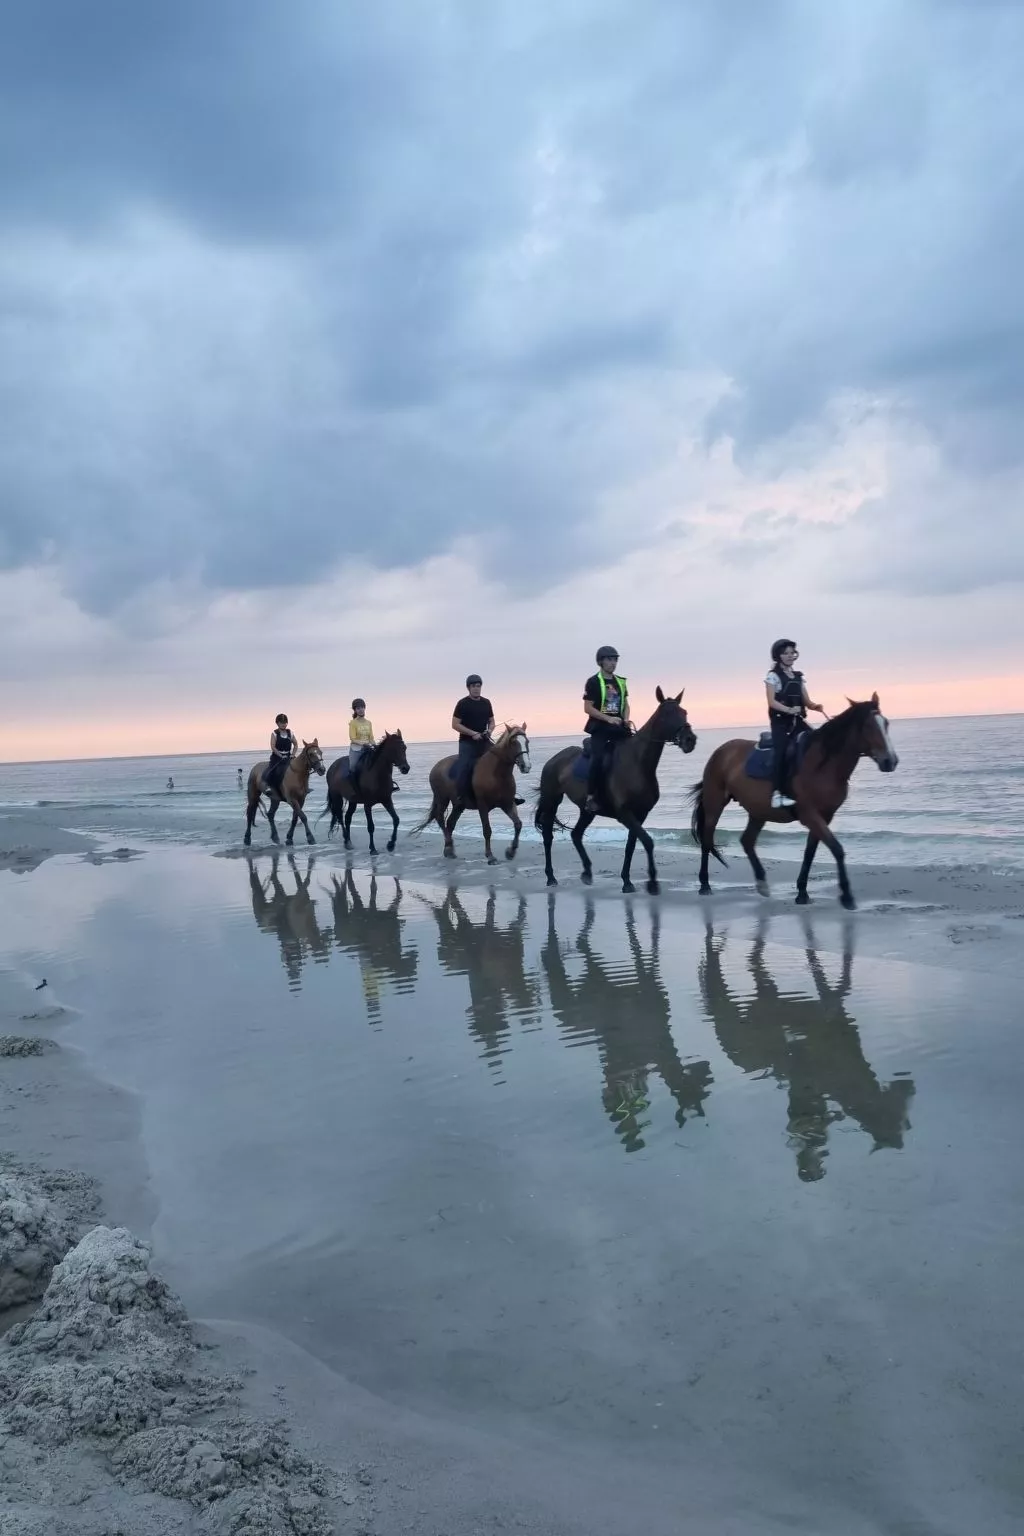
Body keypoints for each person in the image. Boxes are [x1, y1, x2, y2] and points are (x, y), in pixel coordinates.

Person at [765, 639, 824, 808]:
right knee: (781, 751)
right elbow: (771, 702)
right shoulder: (773, 676)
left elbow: (806, 701)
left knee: (818, 741)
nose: (790, 656)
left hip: (797, 720)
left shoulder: (798, 677)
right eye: (786, 653)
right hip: (780, 722)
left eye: (792, 653)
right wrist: (788, 710)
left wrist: (814, 706)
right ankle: (777, 794)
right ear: (778, 656)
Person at [583, 646, 631, 813]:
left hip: (619, 727)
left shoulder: (621, 682)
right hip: (600, 728)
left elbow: (626, 705)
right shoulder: (593, 682)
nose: (613, 663)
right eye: (609, 659)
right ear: (600, 662)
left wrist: (625, 719)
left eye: (615, 659)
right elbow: (587, 708)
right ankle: (590, 797)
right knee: (597, 759)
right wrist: (608, 718)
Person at [452, 675, 495, 801]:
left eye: (478, 686)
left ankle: (510, 794)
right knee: (464, 766)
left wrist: (490, 731)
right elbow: (455, 725)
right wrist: (473, 733)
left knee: (501, 760)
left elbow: (492, 721)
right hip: (467, 743)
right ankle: (461, 795)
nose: (476, 689)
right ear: (468, 688)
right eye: (473, 686)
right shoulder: (462, 703)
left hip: (484, 741)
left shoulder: (486, 702)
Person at [262, 712, 295, 793]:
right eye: (281, 723)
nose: (284, 724)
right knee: (272, 769)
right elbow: (273, 747)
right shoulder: (274, 733)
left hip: (288, 755)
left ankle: (304, 786)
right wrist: (280, 755)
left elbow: (296, 744)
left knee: (300, 767)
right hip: (277, 756)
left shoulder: (290, 733)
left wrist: (293, 754)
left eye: (285, 722)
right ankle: (268, 785)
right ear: (277, 723)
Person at [348, 699, 374, 790]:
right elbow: (353, 738)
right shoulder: (353, 723)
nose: (361, 710)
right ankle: (352, 787)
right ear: (355, 710)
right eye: (358, 708)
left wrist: (375, 745)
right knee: (352, 766)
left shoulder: (369, 723)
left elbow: (371, 738)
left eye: (362, 707)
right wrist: (363, 744)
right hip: (356, 749)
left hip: (368, 749)